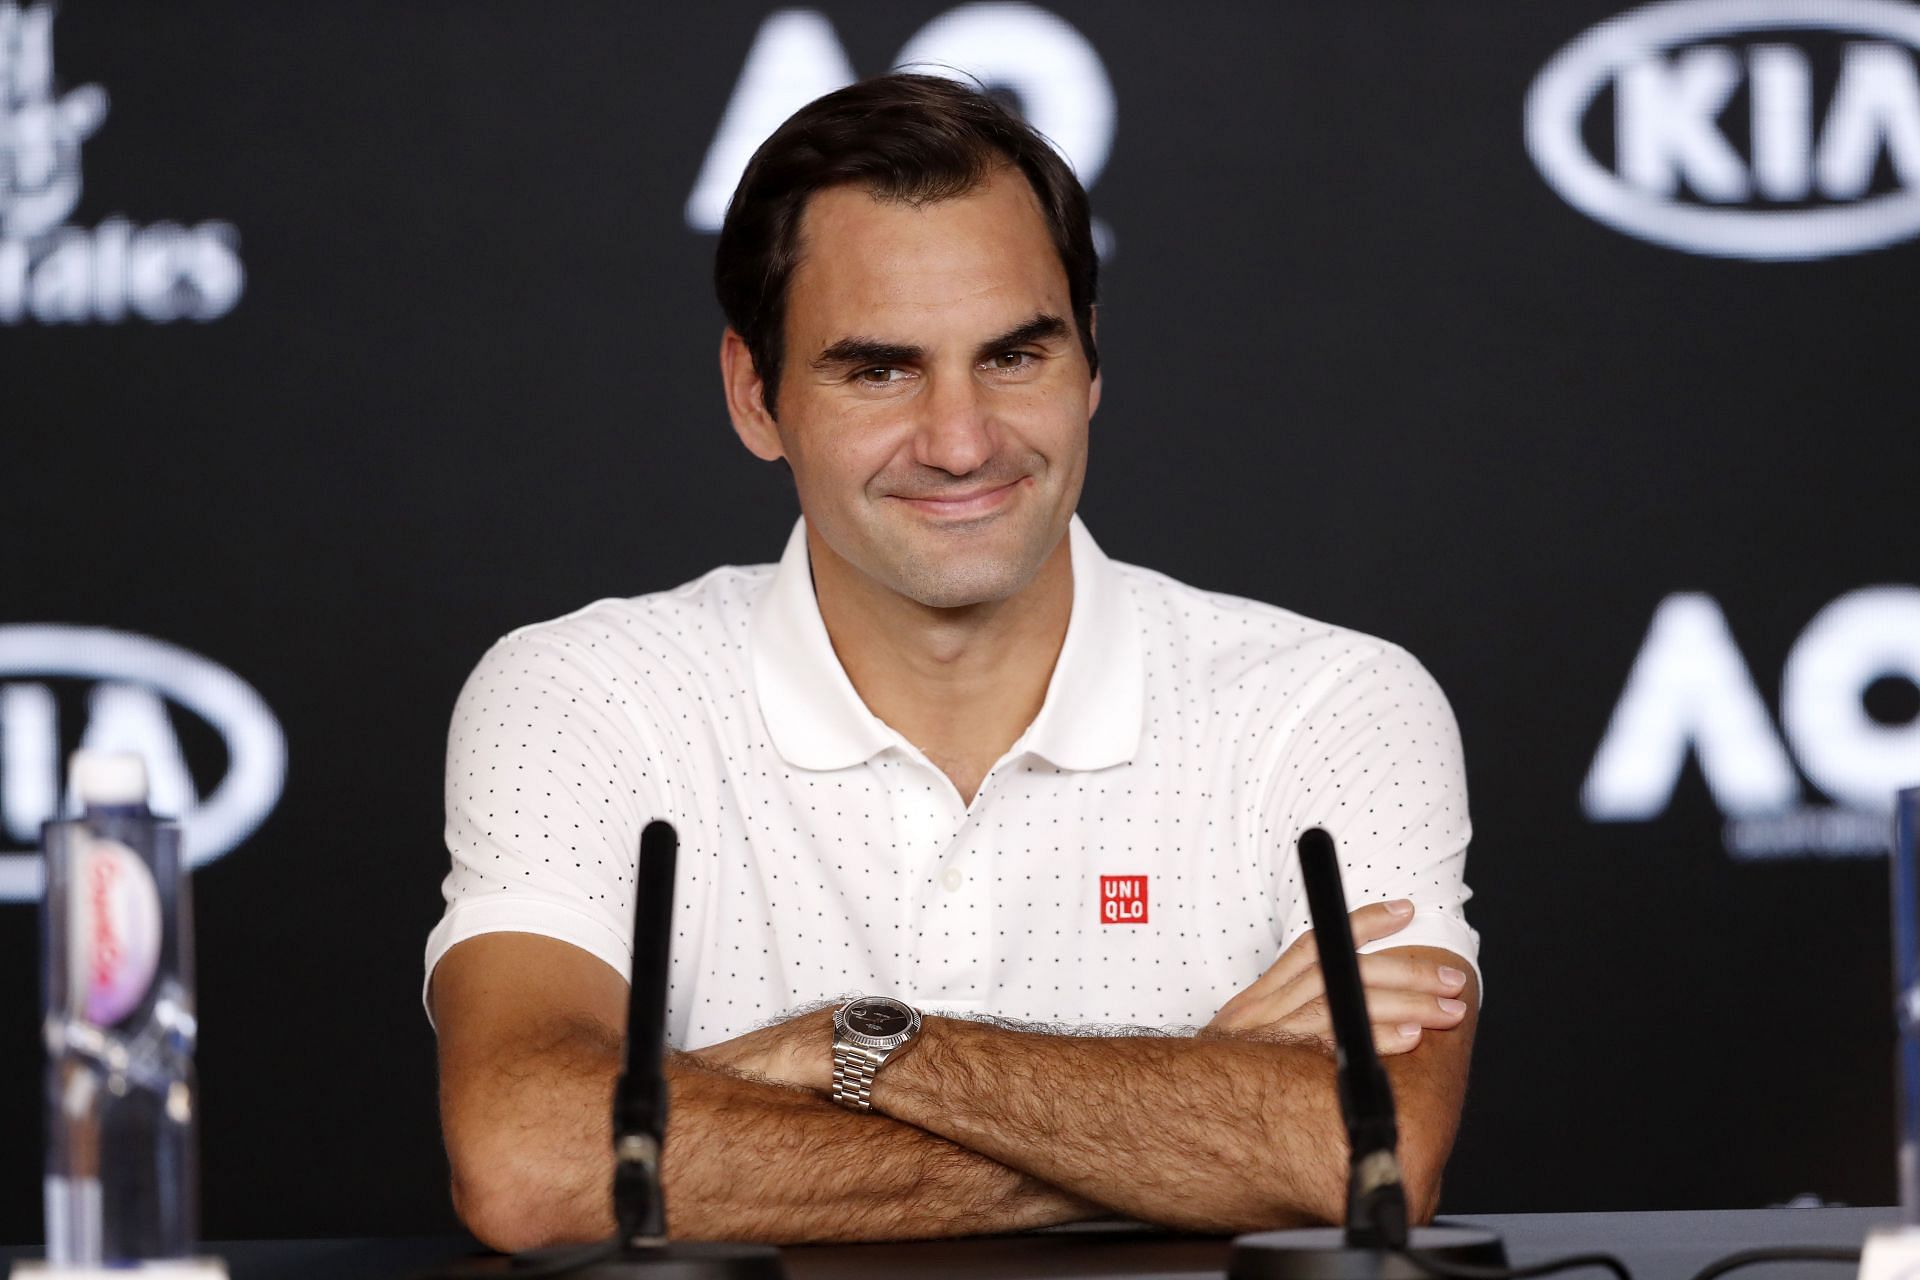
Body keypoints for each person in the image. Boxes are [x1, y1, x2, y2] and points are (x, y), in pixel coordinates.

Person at [425, 73, 1482, 1252]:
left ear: (1091, 363)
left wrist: (859, 1044)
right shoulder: (586, 696)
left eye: (1015, 356)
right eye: (878, 369)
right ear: (753, 394)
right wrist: (1187, 1113)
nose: (961, 440)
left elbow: (1359, 1152)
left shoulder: (1330, 705)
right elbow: (533, 1160)